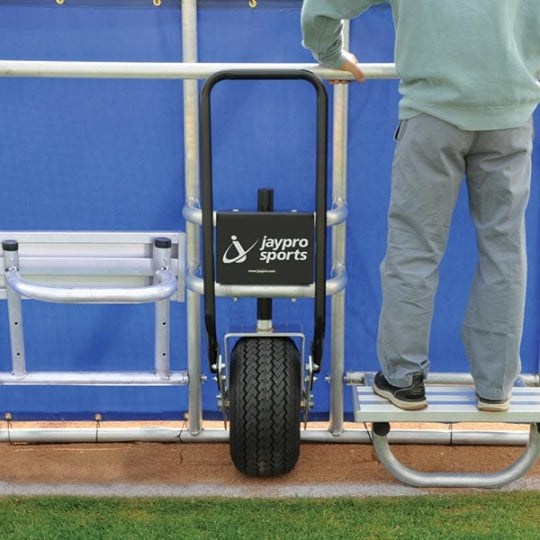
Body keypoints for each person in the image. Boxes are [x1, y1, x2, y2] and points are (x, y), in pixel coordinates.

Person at [301, 1, 540, 411]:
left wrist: (331, 55)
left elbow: (320, 10)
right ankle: (498, 385)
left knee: (415, 247)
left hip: (431, 117)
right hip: (510, 117)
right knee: (504, 250)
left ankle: (404, 378)